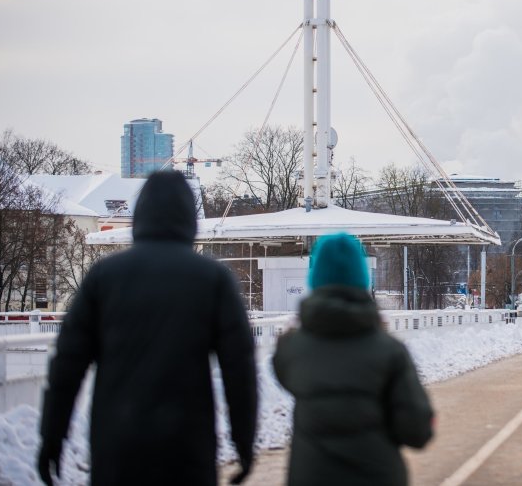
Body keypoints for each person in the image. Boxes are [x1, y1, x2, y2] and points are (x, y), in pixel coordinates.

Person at [38, 170, 257, 486]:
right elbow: (240, 370)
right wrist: (244, 443)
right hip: (187, 446)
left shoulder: (104, 277)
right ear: (189, 218)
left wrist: (52, 436)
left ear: (140, 215)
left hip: (117, 443)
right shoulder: (213, 279)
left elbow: (67, 366)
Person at [273, 233, 434, 486]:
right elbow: (417, 432)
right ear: (362, 279)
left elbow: (284, 375)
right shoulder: (390, 351)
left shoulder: (291, 348)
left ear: (315, 280)